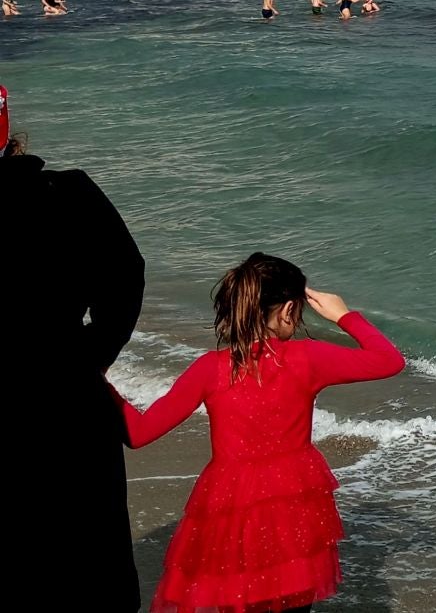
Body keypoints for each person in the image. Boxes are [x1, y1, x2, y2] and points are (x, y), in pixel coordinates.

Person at [114, 255, 404, 613]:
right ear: (287, 311)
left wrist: (99, 382)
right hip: (294, 506)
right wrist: (343, 315)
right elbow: (389, 360)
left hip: (230, 511)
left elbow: (138, 432)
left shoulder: (210, 369)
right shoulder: (306, 358)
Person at [0, 84, 147, 610]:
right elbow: (126, 278)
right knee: (87, 562)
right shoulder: (69, 194)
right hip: (65, 399)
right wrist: (88, 355)